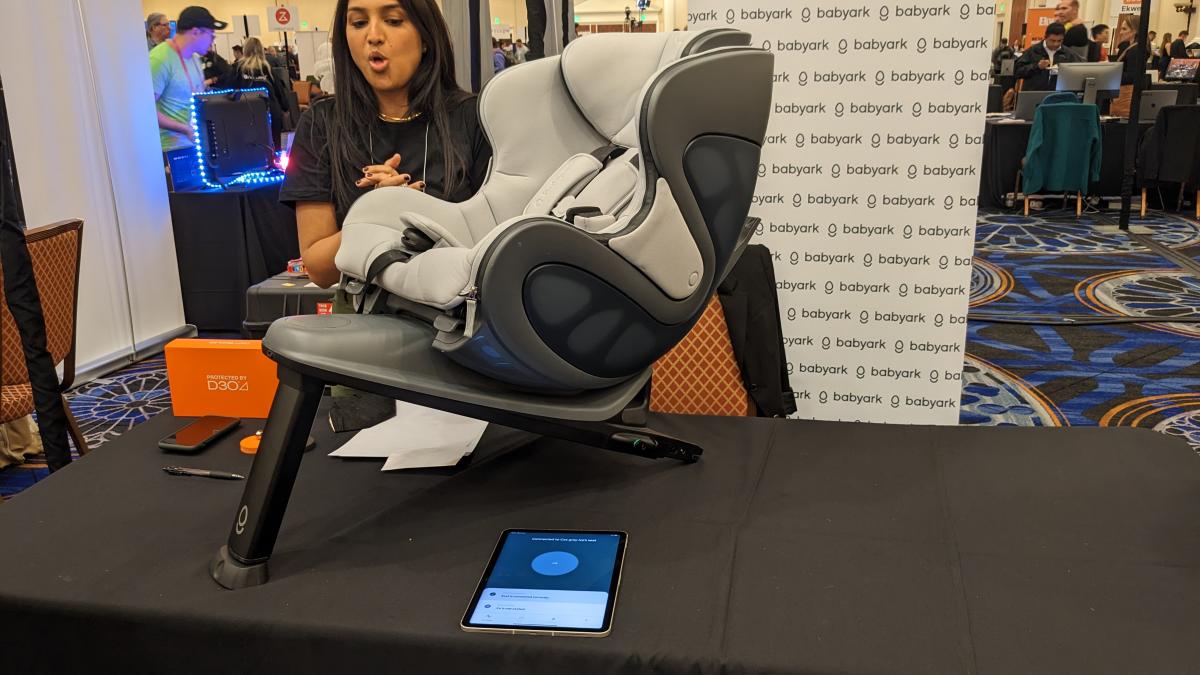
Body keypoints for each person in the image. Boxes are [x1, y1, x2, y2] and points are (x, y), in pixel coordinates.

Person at [279, 0, 493, 289]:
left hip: (461, 307)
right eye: (358, 23)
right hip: (366, 310)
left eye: (393, 20)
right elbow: (319, 268)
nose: (374, 36)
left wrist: (413, 211)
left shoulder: (475, 118)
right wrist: (377, 214)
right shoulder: (322, 123)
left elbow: (496, 247)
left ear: (426, 36)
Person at [149, 6, 224, 153]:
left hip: (196, 145)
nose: (212, 41)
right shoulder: (159, 58)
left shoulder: (195, 58)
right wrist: (184, 129)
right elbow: (146, 110)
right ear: (195, 32)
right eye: (211, 35)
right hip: (171, 150)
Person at [219, 37, 290, 147]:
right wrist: (285, 108)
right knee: (274, 148)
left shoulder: (237, 69)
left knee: (250, 149)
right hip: (271, 113)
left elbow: (227, 90)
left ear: (245, 50)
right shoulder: (268, 69)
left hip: (246, 114)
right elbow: (280, 92)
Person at [1015, 23, 1082, 91]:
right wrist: (1037, 66)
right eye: (1052, 40)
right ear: (1045, 37)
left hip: (1058, 94)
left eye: (1059, 41)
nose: (1056, 44)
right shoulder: (1033, 51)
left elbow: (1079, 72)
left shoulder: (1068, 54)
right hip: (1033, 93)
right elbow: (1018, 72)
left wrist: (1064, 71)